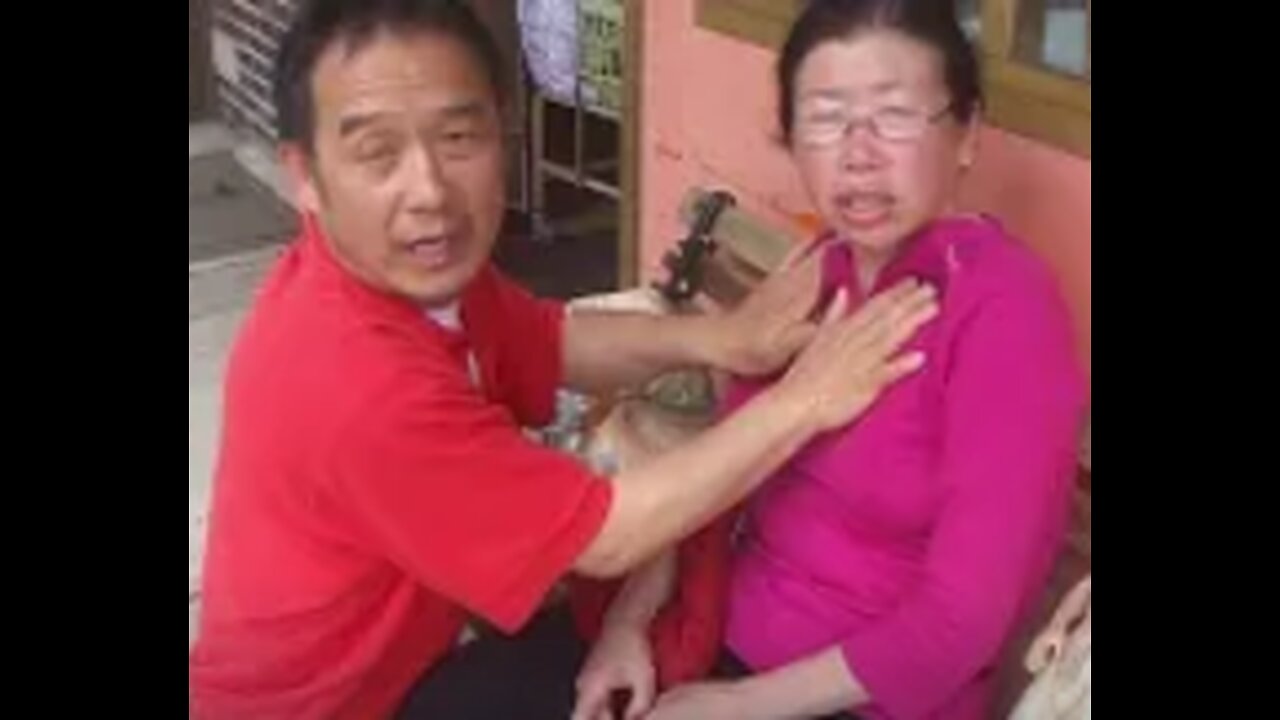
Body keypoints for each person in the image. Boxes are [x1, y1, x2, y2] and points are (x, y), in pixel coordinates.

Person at [187, 1, 937, 718]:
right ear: (305, 178)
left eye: (458, 139)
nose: (429, 191)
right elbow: (607, 535)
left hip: (409, 669)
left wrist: (723, 339)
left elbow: (555, 341)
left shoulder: (411, 278)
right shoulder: (352, 377)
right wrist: (803, 401)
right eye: (376, 153)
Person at [587, 1, 1084, 719]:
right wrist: (627, 624)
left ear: (967, 135)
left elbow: (962, 621)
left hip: (855, 700)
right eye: (825, 117)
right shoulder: (819, 268)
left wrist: (740, 707)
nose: (858, 152)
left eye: (895, 115)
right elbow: (723, 473)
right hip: (708, 638)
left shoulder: (1006, 309)